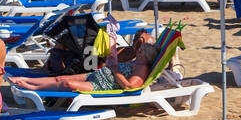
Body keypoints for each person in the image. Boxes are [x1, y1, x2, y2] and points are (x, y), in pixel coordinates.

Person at [12, 34, 157, 94]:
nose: (137, 50)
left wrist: (115, 70)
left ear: (145, 55)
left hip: (101, 85)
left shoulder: (141, 69)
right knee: (60, 78)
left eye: (140, 50)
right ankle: (26, 80)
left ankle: (29, 87)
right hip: (98, 75)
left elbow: (130, 86)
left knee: (66, 84)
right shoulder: (137, 62)